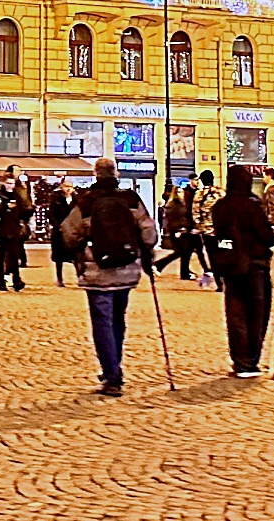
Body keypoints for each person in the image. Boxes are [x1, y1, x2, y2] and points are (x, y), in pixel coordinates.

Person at [60, 156, 157, 396]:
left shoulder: (86, 202)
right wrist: (145, 251)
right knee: (117, 319)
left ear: (96, 174)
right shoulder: (130, 199)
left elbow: (69, 233)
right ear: (116, 174)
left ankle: (112, 375)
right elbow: (148, 231)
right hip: (126, 269)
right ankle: (114, 365)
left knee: (102, 322)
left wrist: (80, 249)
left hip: (97, 271)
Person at [211, 164, 274, 376]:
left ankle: (239, 360)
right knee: (256, 314)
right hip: (255, 265)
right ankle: (250, 360)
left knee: (235, 314)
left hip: (230, 266)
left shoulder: (220, 207)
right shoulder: (252, 206)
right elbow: (267, 237)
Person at [0, 167, 32, 291]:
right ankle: (0, 280)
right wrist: (5, 206)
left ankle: (16, 279)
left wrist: (27, 210)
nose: (10, 186)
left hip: (14, 228)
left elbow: (23, 212)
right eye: (8, 183)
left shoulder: (17, 195)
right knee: (2, 256)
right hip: (1, 229)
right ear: (3, 183)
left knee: (14, 255)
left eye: (12, 183)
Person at [154, 182, 193, 277]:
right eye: (179, 192)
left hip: (183, 230)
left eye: (182, 192)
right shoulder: (174, 204)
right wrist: (177, 229)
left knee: (184, 252)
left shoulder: (182, 203)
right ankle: (158, 265)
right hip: (177, 231)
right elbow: (172, 219)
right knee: (180, 252)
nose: (181, 194)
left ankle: (184, 272)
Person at [47, 186, 77, 286]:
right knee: (59, 258)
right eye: (66, 187)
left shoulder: (77, 200)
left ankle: (79, 276)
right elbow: (51, 215)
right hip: (59, 231)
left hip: (73, 231)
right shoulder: (56, 200)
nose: (68, 189)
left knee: (76, 256)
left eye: (70, 187)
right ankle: (59, 278)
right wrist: (58, 226)